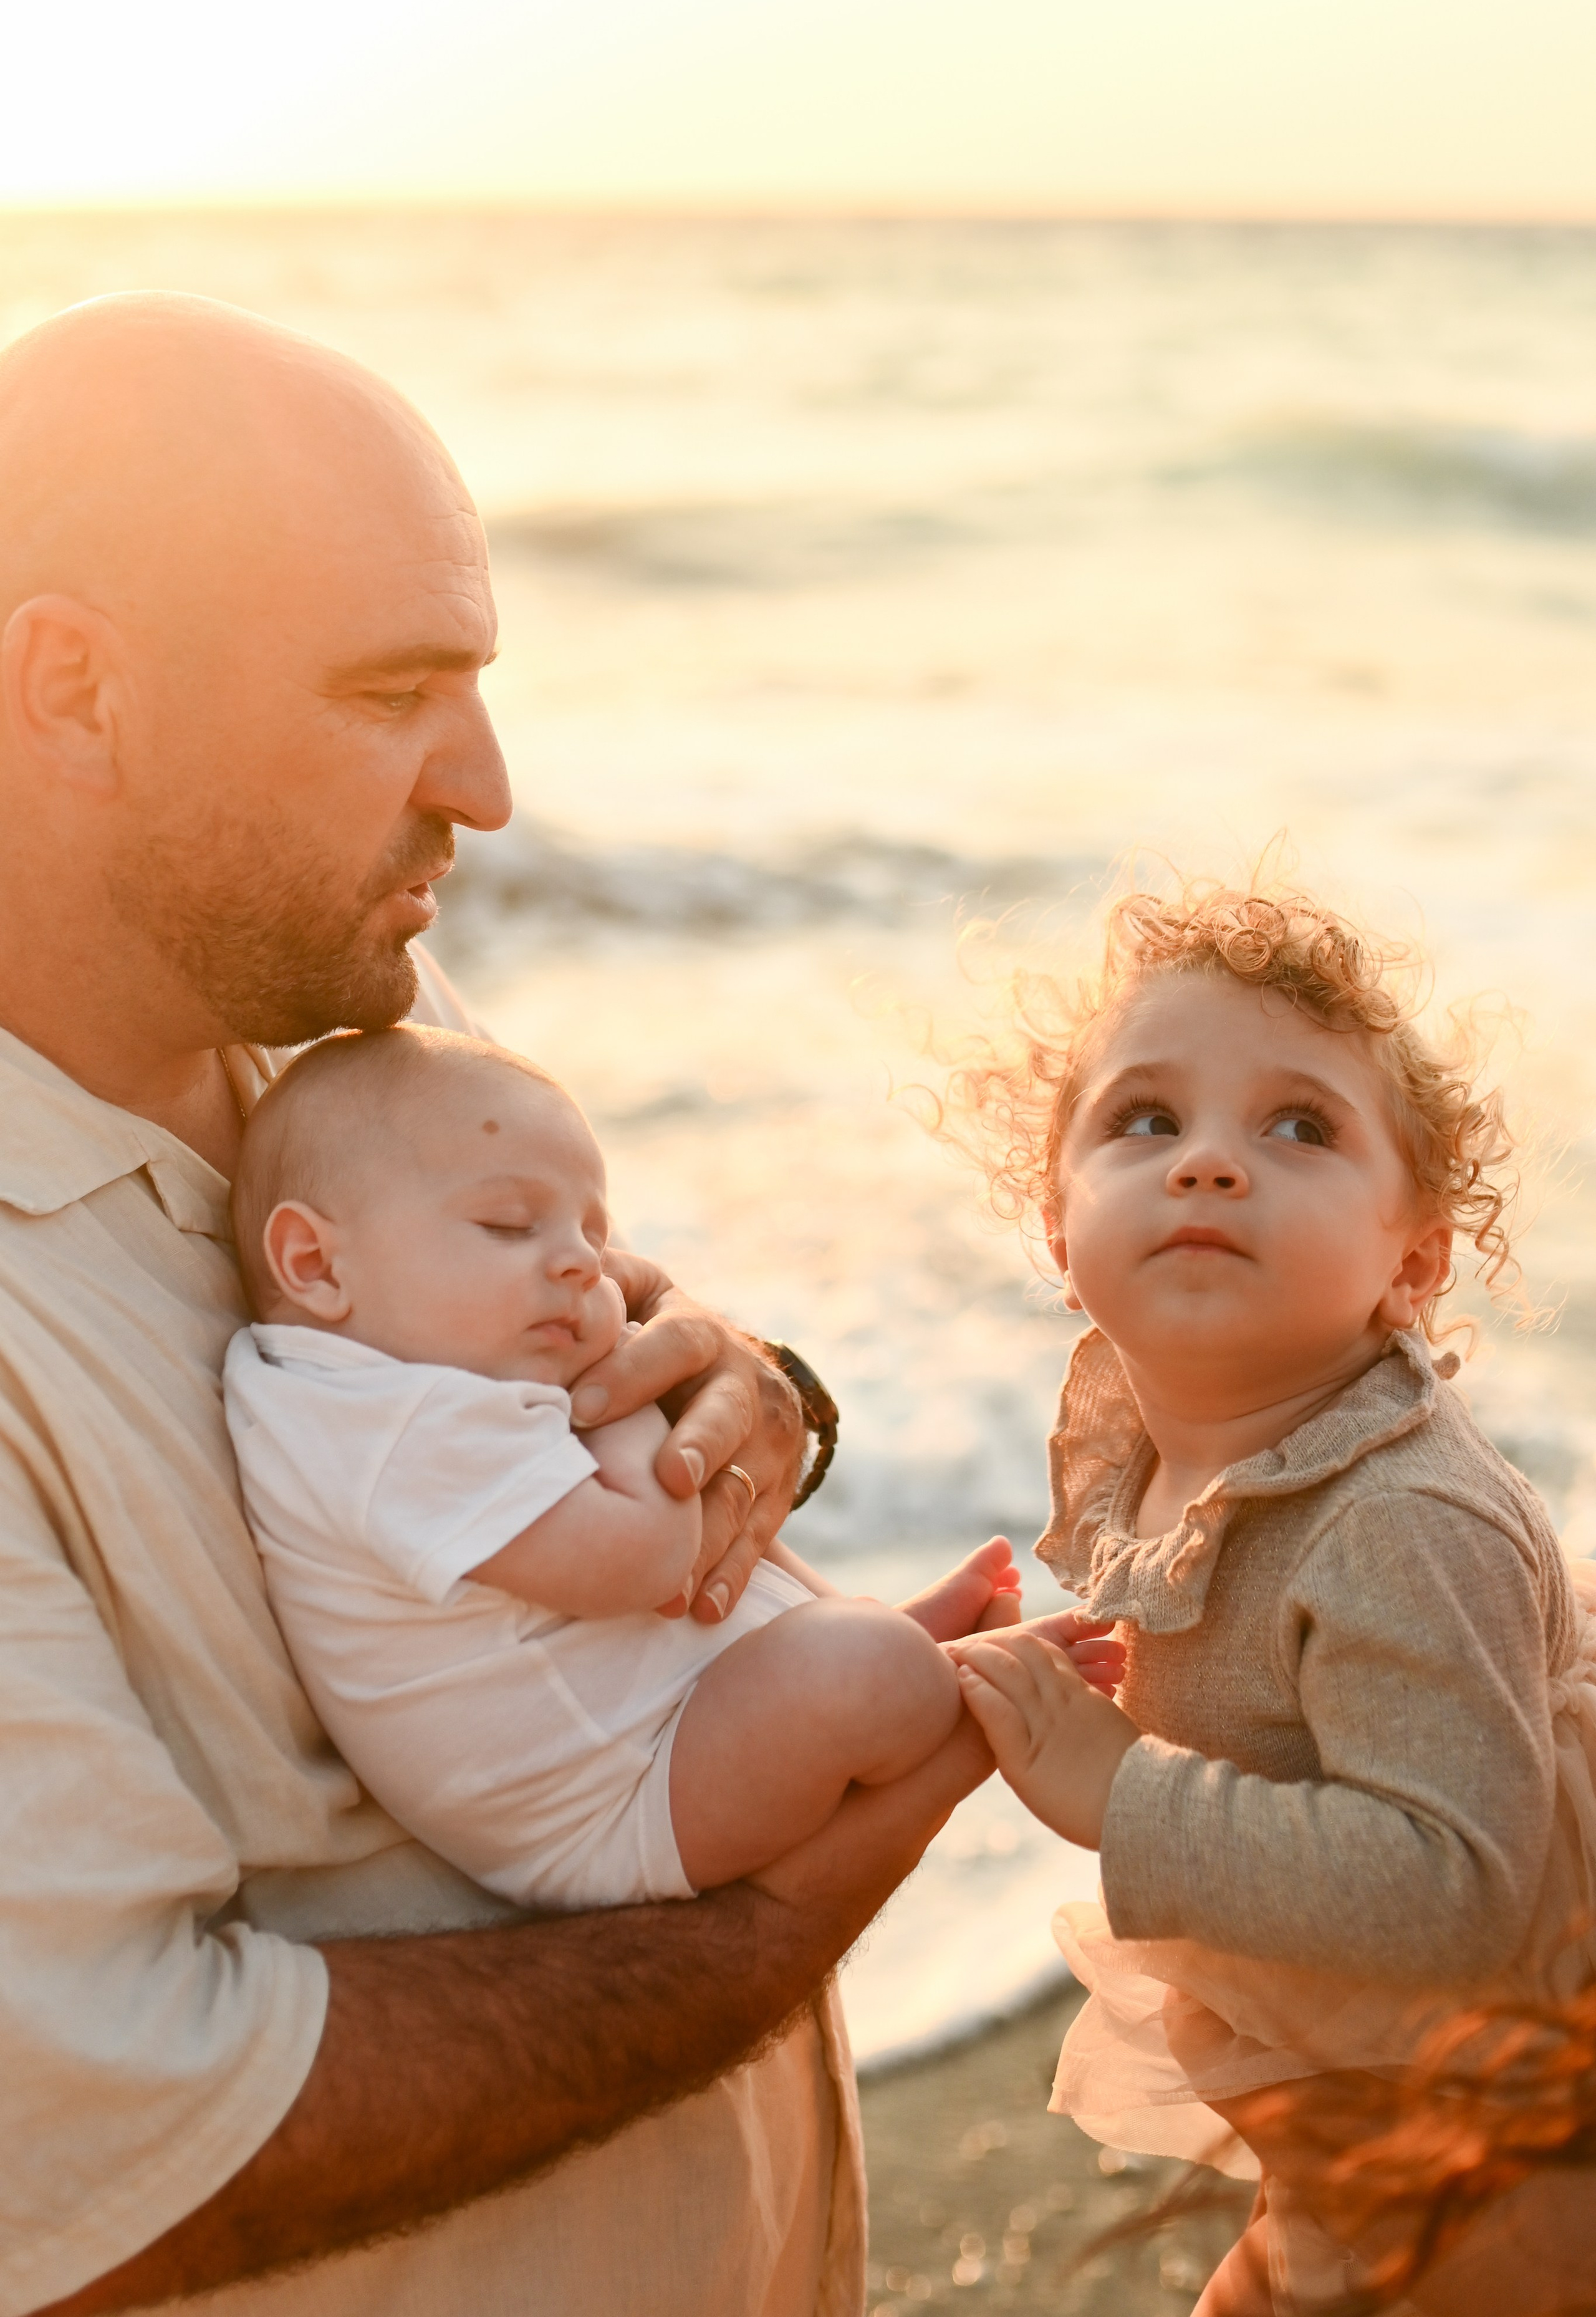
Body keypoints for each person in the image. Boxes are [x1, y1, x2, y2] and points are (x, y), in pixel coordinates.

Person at [0, 289, 993, 2317]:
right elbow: (127, 2157)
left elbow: (590, 1355)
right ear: (73, 690)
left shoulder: (329, 1009)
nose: (492, 783)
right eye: (394, 692)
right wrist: (788, 1919)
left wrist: (756, 1391)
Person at [942, 877, 1596, 2311]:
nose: (1207, 1164)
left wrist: (1125, 1792)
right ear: (1057, 1231)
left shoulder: (1402, 1519)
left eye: (1297, 1127)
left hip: (1524, 2094)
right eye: (1144, 1122)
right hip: (1393, 2083)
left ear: (1409, 1262)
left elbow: (1454, 1891)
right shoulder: (1204, 1453)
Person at [221, 1026, 1123, 1914]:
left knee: (780, 1579)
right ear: (313, 1263)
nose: (581, 1263)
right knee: (852, 1659)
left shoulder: (360, 1374)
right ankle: (937, 1679)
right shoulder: (394, 1428)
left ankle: (899, 1647)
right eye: (509, 1226)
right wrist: (616, 1401)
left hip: (647, 1737)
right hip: (614, 1808)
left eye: (593, 1233)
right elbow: (649, 1564)